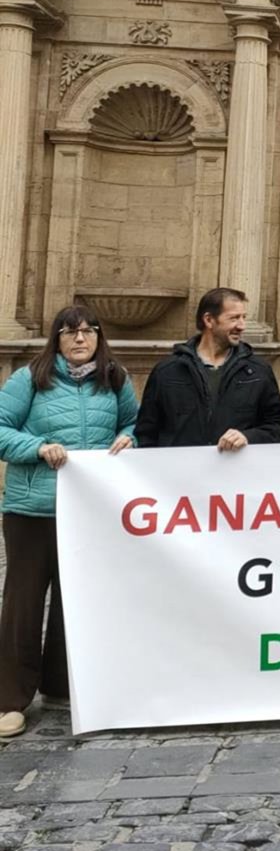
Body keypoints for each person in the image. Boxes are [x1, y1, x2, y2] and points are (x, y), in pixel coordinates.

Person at [0, 305, 138, 739]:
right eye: (70, 332)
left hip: (88, 510)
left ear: (99, 337)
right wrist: (38, 447)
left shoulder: (115, 378)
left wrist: (129, 438)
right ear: (56, 339)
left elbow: (134, 423)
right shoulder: (30, 378)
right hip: (32, 510)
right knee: (23, 605)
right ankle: (10, 700)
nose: (80, 339)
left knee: (74, 600)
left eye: (88, 331)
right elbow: (1, 428)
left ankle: (60, 685)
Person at [135, 287, 280, 449]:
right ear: (209, 320)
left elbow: (278, 426)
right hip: (181, 465)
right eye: (234, 318)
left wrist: (248, 437)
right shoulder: (167, 371)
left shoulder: (258, 371)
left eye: (243, 317)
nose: (242, 326)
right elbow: (146, 433)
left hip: (236, 465)